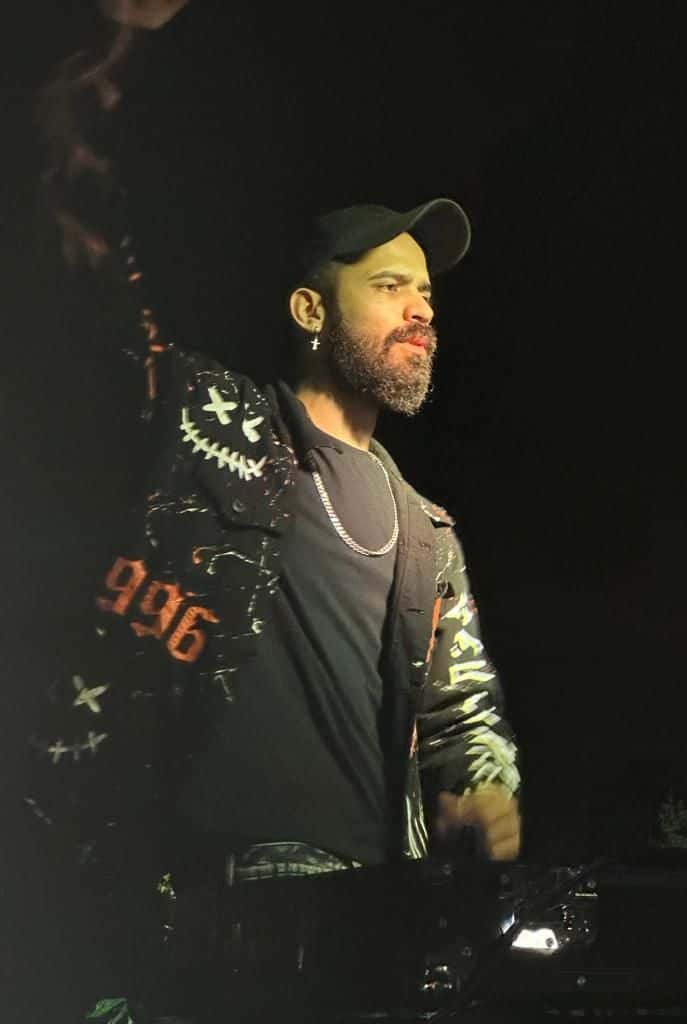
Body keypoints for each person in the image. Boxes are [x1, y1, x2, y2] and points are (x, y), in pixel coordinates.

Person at [25, 2, 522, 1019]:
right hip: (198, 916)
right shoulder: (205, 421)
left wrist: (486, 789)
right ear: (310, 311)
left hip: (368, 924)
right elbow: (92, 295)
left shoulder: (427, 531)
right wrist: (105, 56)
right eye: (391, 284)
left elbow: (462, 715)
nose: (423, 307)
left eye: (428, 292)